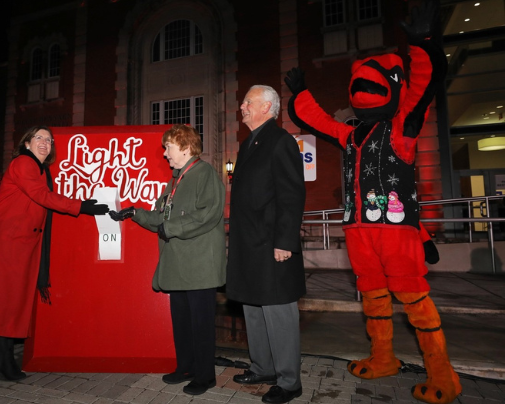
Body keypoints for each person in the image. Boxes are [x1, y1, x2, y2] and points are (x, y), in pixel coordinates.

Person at [285, 1, 461, 403]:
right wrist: (302, 95)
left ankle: (443, 375)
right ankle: (383, 357)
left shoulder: (403, 130)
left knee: (413, 299)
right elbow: (320, 123)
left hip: (396, 232)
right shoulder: (350, 136)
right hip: (358, 232)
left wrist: (422, 44)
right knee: (374, 299)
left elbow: (423, 87)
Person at [0, 126, 109, 381]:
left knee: (14, 299)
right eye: (39, 138)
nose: (45, 142)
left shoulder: (41, 168)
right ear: (27, 143)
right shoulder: (24, 163)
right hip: (8, 240)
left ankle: (3, 357)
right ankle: (4, 359)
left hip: (21, 240)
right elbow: (41, 196)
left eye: (49, 140)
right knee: (6, 299)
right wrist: (81, 206)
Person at [109, 124, 226, 396]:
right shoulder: (175, 180)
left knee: (201, 324)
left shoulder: (204, 173)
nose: (164, 154)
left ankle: (205, 375)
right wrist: (135, 213)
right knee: (183, 321)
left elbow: (208, 213)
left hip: (199, 267)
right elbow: (162, 216)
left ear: (185, 148)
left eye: (168, 147)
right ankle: (186, 367)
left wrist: (171, 228)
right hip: (178, 266)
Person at [225, 85, 306, 404]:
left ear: (267, 108)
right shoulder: (249, 144)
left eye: (249, 102)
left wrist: (285, 241)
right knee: (253, 306)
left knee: (278, 310)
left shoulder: (281, 141)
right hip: (249, 243)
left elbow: (291, 194)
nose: (242, 106)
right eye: (244, 101)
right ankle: (263, 367)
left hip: (272, 243)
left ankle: (289, 381)